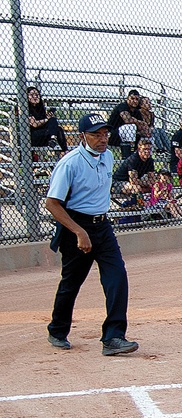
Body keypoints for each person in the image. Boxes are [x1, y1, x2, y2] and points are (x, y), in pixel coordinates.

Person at [44, 113, 139, 356]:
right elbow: (52, 203)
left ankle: (114, 337)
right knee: (71, 283)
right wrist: (79, 231)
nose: (102, 139)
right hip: (75, 225)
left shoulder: (107, 156)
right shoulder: (70, 163)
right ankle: (57, 330)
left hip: (102, 226)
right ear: (82, 137)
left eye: (105, 134)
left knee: (117, 276)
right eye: (95, 134)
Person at [111, 138, 156, 204]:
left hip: (135, 183)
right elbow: (133, 181)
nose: (147, 152)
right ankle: (138, 206)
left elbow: (152, 179)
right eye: (145, 149)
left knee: (155, 187)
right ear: (139, 149)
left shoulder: (150, 160)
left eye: (149, 149)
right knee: (136, 188)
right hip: (118, 182)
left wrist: (149, 184)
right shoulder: (133, 159)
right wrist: (146, 184)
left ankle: (152, 205)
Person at [25, 86, 68, 151]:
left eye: (37, 94)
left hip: (44, 135)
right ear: (27, 97)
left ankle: (63, 149)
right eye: (32, 95)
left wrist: (49, 118)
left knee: (58, 127)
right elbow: (34, 124)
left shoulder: (41, 108)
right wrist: (47, 119)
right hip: (31, 137)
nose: (35, 96)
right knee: (53, 124)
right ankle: (54, 139)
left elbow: (46, 123)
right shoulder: (26, 108)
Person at [106, 89, 143, 157]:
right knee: (130, 126)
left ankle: (141, 159)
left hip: (128, 137)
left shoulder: (137, 111)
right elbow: (127, 120)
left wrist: (136, 121)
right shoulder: (122, 106)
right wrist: (138, 122)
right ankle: (127, 155)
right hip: (113, 135)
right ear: (127, 98)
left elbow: (142, 127)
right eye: (132, 98)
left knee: (147, 136)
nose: (134, 101)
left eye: (137, 99)